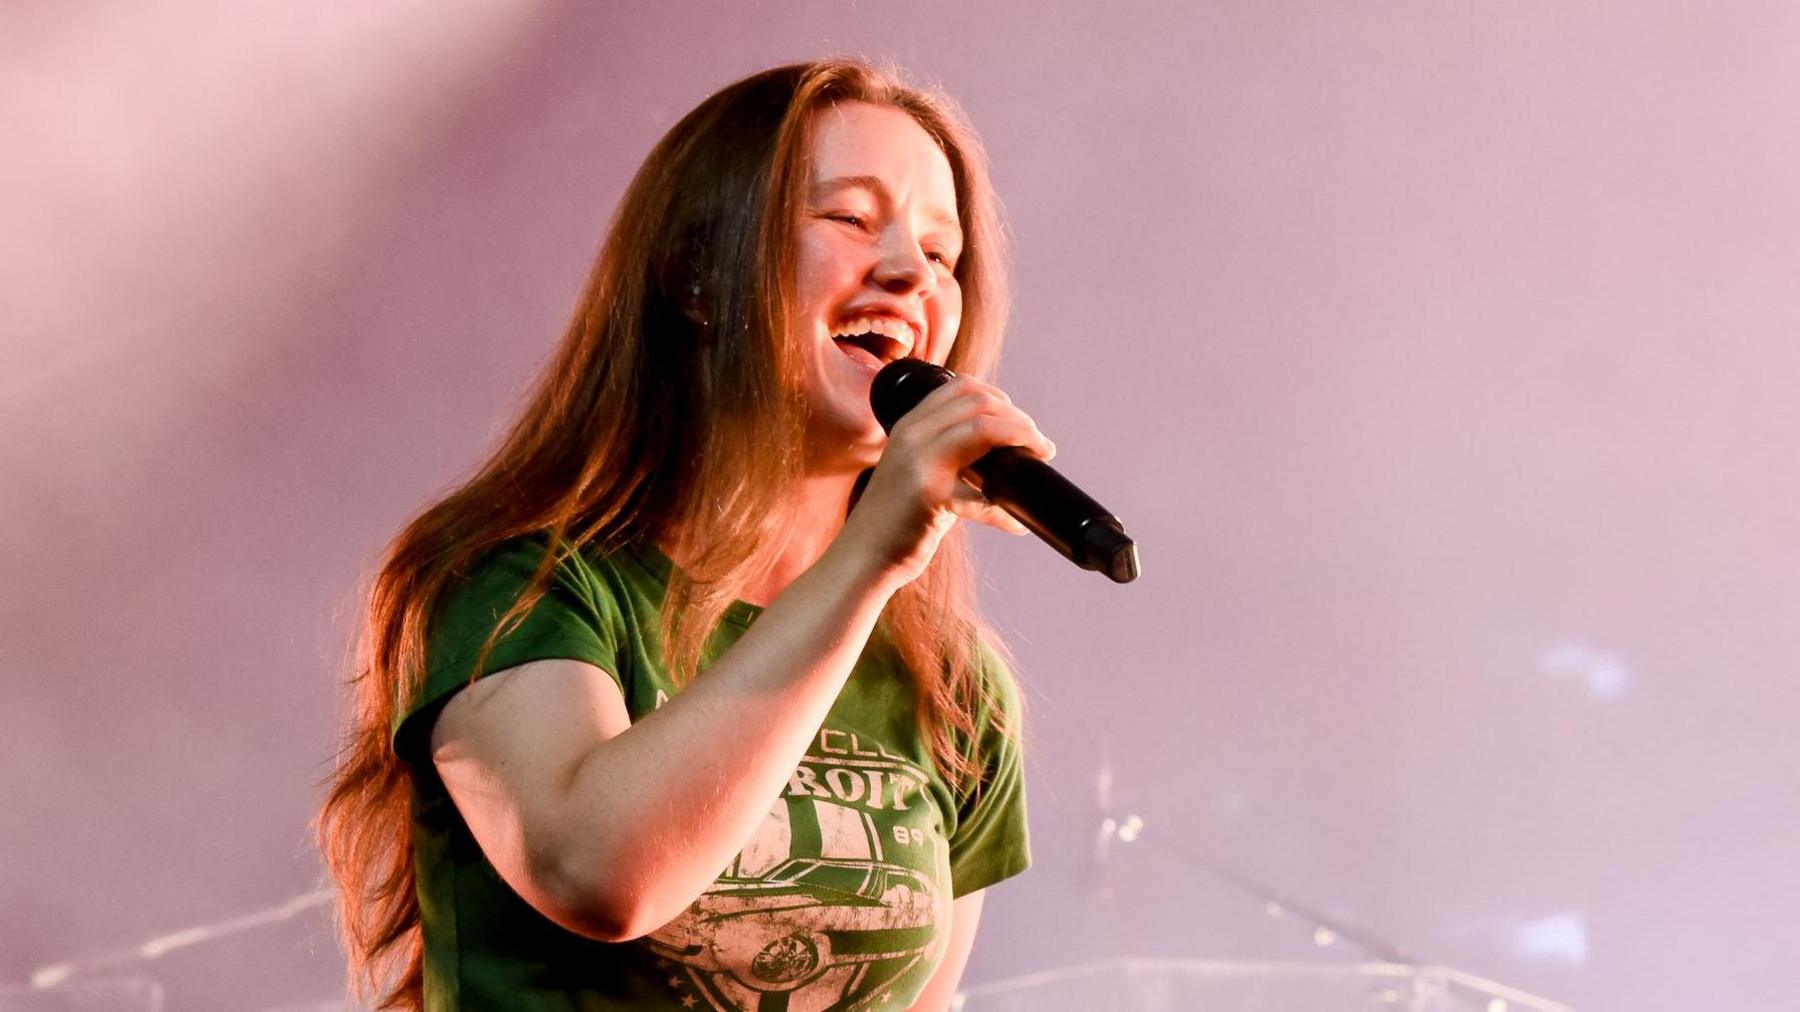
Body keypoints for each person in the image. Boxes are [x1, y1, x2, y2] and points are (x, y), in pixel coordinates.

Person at [318, 58, 1055, 1011]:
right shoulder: (514, 586)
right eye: (849, 218)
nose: (910, 271)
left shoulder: (950, 687)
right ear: (699, 274)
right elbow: (599, 872)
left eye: (942, 253)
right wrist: (872, 554)